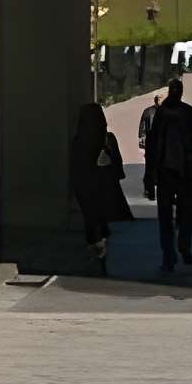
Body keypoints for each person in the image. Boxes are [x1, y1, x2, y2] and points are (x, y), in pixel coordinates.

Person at [142, 75, 192, 274]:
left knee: (165, 217)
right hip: (184, 171)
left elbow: (153, 147)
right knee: (186, 214)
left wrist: (149, 175)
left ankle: (169, 254)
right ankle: (183, 246)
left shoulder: (161, 113)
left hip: (165, 171)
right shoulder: (187, 112)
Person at [68, 102, 130, 273]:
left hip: (85, 189)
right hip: (104, 189)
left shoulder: (78, 142)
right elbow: (118, 167)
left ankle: (96, 255)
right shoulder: (107, 140)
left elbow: (74, 169)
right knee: (101, 223)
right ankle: (100, 257)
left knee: (91, 222)